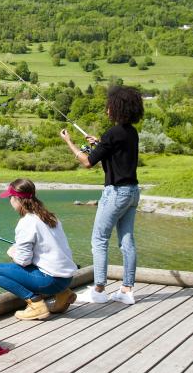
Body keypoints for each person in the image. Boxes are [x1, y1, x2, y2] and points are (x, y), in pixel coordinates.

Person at [60, 85, 144, 305]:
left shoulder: (112, 133)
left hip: (116, 193)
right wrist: (99, 145)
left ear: (117, 108)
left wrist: (69, 142)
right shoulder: (130, 133)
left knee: (99, 239)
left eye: (109, 105)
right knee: (127, 242)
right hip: (133, 192)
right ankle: (127, 290)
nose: (107, 108)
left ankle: (98, 290)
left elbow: (87, 162)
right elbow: (113, 158)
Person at [0, 178, 78, 320]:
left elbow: (23, 261)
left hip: (51, 281)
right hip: (66, 279)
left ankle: (36, 305)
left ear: (17, 199)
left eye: (10, 197)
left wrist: (12, 252)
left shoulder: (26, 222)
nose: (10, 201)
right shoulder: (50, 216)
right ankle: (63, 294)